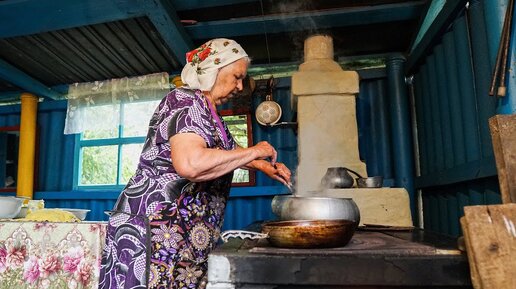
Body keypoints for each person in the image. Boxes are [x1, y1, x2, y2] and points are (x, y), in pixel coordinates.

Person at [98, 38, 291, 289]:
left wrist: (262, 164)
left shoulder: (210, 113)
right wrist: (255, 150)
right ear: (213, 69)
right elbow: (191, 164)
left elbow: (227, 153)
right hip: (156, 226)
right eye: (237, 76)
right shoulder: (185, 101)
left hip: (183, 231)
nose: (240, 86)